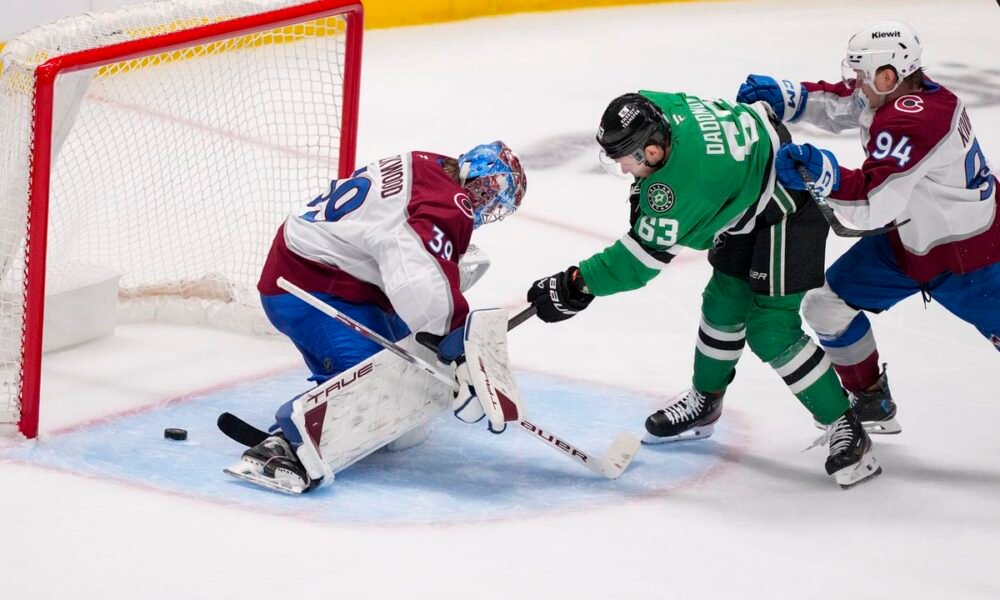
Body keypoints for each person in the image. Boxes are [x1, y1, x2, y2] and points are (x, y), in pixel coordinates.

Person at [526, 91, 881, 489]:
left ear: (655, 151)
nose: (625, 170)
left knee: (771, 330)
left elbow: (637, 264)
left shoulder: (685, 185)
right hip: (746, 194)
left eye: (627, 160)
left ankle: (846, 425)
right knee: (723, 303)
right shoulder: (656, 106)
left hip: (788, 209)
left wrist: (578, 283)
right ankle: (705, 404)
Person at [737, 20, 1000, 434]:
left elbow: (871, 205)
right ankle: (872, 398)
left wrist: (824, 175)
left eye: (862, 73)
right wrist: (794, 98)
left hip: (971, 258)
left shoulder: (913, 121)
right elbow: (846, 103)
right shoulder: (903, 94)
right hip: (909, 242)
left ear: (889, 74)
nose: (856, 82)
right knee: (827, 306)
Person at [235, 141, 527, 491]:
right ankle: (286, 444)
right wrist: (458, 350)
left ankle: (334, 386)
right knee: (385, 396)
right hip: (310, 286)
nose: (489, 208)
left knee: (418, 373)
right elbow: (417, 277)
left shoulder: (430, 164)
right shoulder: (448, 203)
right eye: (492, 198)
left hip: (335, 275)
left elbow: (395, 239)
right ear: (478, 185)